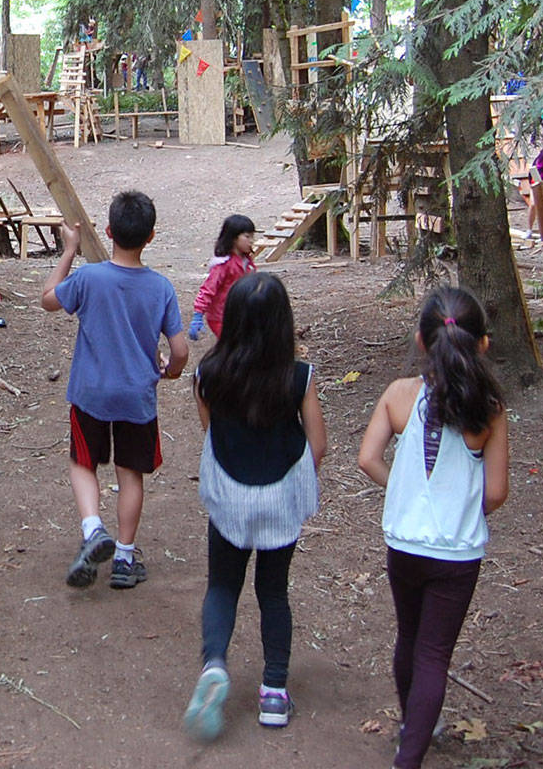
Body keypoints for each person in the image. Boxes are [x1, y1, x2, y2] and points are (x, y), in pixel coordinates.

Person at [357, 286, 509, 769]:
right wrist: (462, 507)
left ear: (422, 342)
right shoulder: (489, 407)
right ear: (482, 343)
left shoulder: (400, 395)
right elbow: (497, 491)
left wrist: (404, 491)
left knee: (409, 637)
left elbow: (368, 458)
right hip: (457, 553)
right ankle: (411, 756)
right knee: (434, 653)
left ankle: (412, 725)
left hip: (404, 542)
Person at [182, 272, 326, 742]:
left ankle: (214, 664)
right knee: (274, 593)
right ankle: (274, 693)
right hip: (280, 495)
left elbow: (211, 431)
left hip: (229, 494)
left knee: (222, 585)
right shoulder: (299, 377)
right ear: (284, 324)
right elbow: (318, 445)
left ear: (235, 320)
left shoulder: (208, 374)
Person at [42, 191, 189, 590]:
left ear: (108, 231)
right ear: (152, 236)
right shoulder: (160, 288)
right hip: (136, 396)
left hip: (90, 393)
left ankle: (93, 530)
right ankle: (124, 557)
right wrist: (171, 372)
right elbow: (179, 350)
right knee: (130, 474)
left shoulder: (88, 279)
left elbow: (48, 300)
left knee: (82, 462)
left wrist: (69, 252)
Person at [189, 214, 257, 340]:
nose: (252, 241)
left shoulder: (248, 263)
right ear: (234, 237)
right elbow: (208, 289)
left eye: (252, 237)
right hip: (221, 317)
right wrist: (198, 315)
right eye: (247, 236)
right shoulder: (223, 265)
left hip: (240, 316)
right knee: (233, 347)